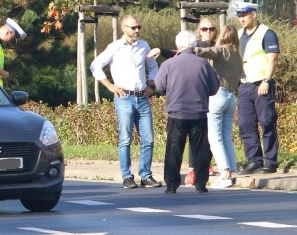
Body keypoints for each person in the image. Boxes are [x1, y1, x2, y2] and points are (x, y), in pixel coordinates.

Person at [90, 15, 162, 189]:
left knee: (148, 139)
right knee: (125, 139)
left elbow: (153, 67)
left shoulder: (144, 46)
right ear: (123, 28)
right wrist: (109, 85)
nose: (137, 30)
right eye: (133, 27)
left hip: (142, 97)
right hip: (124, 98)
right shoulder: (115, 47)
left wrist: (151, 85)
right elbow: (95, 65)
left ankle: (145, 175)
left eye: (139, 27)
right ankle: (127, 176)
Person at [148, 17, 218, 185]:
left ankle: (171, 184)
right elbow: (214, 87)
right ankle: (201, 184)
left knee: (174, 149)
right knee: (200, 149)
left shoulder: (169, 64)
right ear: (193, 44)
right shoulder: (203, 64)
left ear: (178, 45)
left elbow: (159, 86)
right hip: (199, 113)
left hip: (176, 113)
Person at [194, 25, 243, 188]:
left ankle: (224, 173)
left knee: (215, 137)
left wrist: (189, 48)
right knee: (226, 136)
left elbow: (204, 52)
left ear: (222, 35)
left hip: (217, 95)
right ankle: (231, 169)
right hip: (231, 97)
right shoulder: (237, 55)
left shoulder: (221, 50)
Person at [235, 1, 281, 174]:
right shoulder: (239, 34)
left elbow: (273, 59)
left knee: (267, 122)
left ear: (254, 14)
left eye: (244, 14)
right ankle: (254, 160)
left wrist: (266, 81)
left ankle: (270, 161)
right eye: (239, 15)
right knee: (245, 124)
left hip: (261, 84)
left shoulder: (266, 33)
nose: (241, 18)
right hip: (244, 84)